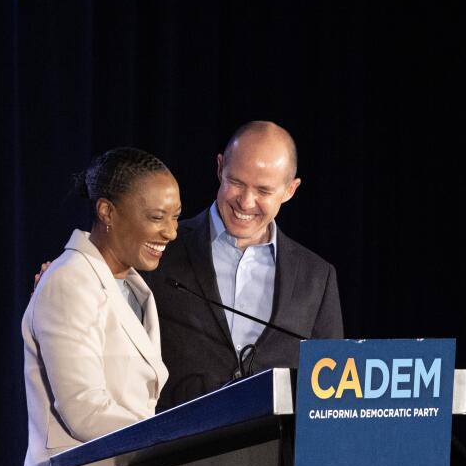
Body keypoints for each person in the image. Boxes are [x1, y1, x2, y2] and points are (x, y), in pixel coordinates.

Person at [14, 148, 181, 466]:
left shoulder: (134, 288)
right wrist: (177, 435)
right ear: (107, 211)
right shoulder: (70, 280)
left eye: (175, 217)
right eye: (157, 217)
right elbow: (84, 408)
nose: (171, 232)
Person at [143, 120, 343, 410]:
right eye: (236, 183)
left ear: (290, 190)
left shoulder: (317, 277)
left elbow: (331, 388)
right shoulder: (159, 250)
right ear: (220, 167)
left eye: (263, 191)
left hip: (275, 453)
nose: (246, 203)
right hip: (176, 449)